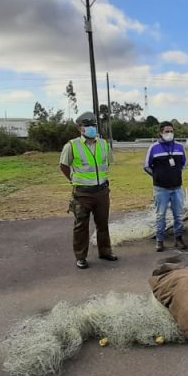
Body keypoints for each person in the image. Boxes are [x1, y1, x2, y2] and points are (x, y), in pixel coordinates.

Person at [58, 111, 118, 269]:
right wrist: (74, 179)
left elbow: (108, 163)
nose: (91, 128)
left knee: (103, 224)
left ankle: (105, 252)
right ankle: (81, 257)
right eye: (87, 125)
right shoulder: (71, 146)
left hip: (102, 192)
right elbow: (63, 166)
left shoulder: (104, 144)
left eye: (93, 125)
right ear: (80, 128)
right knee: (81, 226)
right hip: (82, 193)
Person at [144, 121, 188, 252]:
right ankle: (160, 241)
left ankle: (178, 238)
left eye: (171, 131)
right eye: (166, 131)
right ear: (161, 133)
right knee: (160, 215)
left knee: (179, 215)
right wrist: (158, 176)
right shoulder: (153, 148)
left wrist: (174, 175)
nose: (169, 133)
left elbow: (184, 164)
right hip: (161, 189)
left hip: (177, 188)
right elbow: (147, 166)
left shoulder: (180, 147)